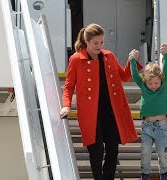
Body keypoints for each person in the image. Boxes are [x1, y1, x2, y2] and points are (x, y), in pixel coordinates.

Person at [60, 23, 143, 180]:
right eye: (95, 43)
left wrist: (131, 60)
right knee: (96, 151)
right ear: (87, 42)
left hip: (111, 111)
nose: (99, 46)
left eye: (101, 42)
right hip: (91, 114)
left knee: (113, 149)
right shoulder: (76, 59)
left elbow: (124, 76)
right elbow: (69, 86)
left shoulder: (109, 56)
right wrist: (66, 105)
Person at [129, 46, 167, 180]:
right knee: (145, 153)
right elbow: (135, 75)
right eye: (150, 83)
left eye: (156, 82)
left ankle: (164, 174)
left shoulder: (163, 85)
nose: (153, 85)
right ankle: (145, 175)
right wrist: (132, 59)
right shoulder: (143, 87)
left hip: (162, 126)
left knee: (162, 153)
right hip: (147, 127)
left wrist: (166, 55)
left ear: (161, 80)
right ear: (145, 82)